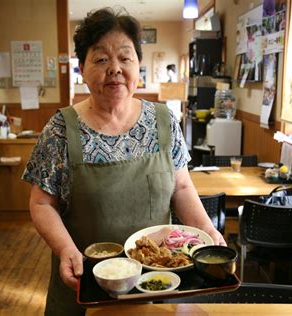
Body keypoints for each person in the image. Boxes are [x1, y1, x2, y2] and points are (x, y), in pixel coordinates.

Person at [22, 7, 226, 315]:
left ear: (138, 65)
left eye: (125, 58)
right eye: (101, 59)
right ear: (82, 67)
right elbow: (41, 204)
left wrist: (208, 232)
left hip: (159, 278)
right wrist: (65, 249)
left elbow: (181, 187)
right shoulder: (61, 129)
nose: (114, 68)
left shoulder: (163, 121)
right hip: (86, 281)